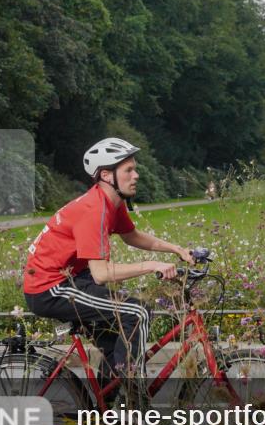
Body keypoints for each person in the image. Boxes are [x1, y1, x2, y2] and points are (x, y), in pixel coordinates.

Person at [23, 137, 194, 385]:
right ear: (106, 175)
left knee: (119, 339)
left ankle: (111, 411)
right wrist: (151, 265)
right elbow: (101, 274)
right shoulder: (94, 210)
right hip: (50, 288)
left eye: (135, 168)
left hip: (73, 279)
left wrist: (176, 249)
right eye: (129, 170)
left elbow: (131, 236)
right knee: (137, 312)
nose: (136, 175)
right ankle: (132, 398)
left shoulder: (112, 203)